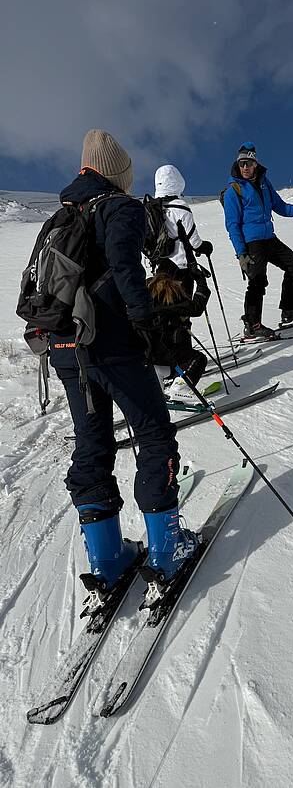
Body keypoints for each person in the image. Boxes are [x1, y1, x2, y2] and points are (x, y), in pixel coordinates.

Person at [49, 129, 199, 607]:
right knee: (153, 433)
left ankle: (107, 559)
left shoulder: (59, 216)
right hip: (110, 343)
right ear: (118, 175)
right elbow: (126, 268)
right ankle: (165, 549)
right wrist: (146, 325)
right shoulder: (119, 208)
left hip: (64, 347)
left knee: (92, 443)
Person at [223, 141, 293, 339]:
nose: (245, 167)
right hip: (252, 242)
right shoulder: (234, 191)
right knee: (257, 281)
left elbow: (278, 205)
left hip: (269, 238)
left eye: (249, 163)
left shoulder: (264, 183)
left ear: (255, 164)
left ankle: (289, 310)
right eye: (242, 164)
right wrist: (241, 253)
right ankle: (252, 324)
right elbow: (232, 225)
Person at [147, 256, 212, 402]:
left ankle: (156, 383)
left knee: (159, 361)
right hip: (165, 348)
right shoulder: (168, 291)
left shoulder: (145, 288)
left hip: (144, 349)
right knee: (198, 359)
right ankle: (180, 388)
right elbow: (196, 308)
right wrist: (201, 282)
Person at [153, 164, 213, 294]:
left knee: (164, 304)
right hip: (181, 266)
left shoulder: (154, 208)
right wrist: (205, 247)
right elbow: (194, 242)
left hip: (161, 266)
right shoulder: (181, 207)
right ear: (177, 182)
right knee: (182, 305)